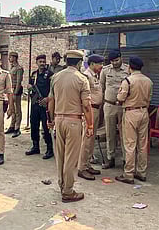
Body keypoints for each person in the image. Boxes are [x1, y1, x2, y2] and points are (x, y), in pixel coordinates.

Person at [48, 49, 93, 202]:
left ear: (66, 61)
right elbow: (86, 105)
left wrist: (51, 120)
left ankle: (62, 184)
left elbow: (51, 101)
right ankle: (68, 191)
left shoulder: (55, 77)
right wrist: (91, 125)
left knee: (60, 155)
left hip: (58, 119)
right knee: (71, 158)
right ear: (79, 63)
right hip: (74, 121)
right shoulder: (82, 79)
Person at [115, 56, 153, 185]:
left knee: (130, 144)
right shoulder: (148, 81)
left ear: (130, 67)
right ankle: (141, 172)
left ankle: (128, 174)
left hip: (131, 112)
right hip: (144, 112)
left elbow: (120, 98)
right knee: (143, 144)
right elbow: (149, 99)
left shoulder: (128, 81)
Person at [100, 50, 129, 169]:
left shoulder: (128, 69)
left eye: (116, 60)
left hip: (123, 106)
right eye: (112, 61)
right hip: (109, 105)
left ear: (121, 58)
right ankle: (110, 158)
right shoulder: (105, 70)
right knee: (110, 133)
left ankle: (126, 160)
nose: (114, 63)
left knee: (125, 134)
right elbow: (101, 87)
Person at [78, 54, 104, 181]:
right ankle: (81, 168)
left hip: (96, 110)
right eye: (100, 64)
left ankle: (87, 164)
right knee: (87, 140)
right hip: (90, 110)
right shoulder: (86, 76)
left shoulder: (95, 76)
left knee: (91, 139)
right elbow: (83, 97)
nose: (101, 66)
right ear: (92, 64)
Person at [26, 54, 54, 159]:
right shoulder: (33, 74)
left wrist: (47, 99)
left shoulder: (50, 75)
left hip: (45, 105)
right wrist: (29, 88)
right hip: (35, 104)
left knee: (46, 127)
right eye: (40, 62)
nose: (42, 64)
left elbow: (53, 89)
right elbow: (29, 87)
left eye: (43, 62)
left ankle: (49, 149)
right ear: (36, 62)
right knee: (34, 124)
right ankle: (35, 146)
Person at [5, 51, 24, 138]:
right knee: (12, 109)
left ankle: (17, 128)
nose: (9, 59)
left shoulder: (19, 68)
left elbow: (19, 81)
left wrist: (15, 92)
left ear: (15, 58)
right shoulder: (12, 68)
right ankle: (12, 126)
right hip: (11, 90)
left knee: (17, 110)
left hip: (16, 90)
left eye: (11, 57)